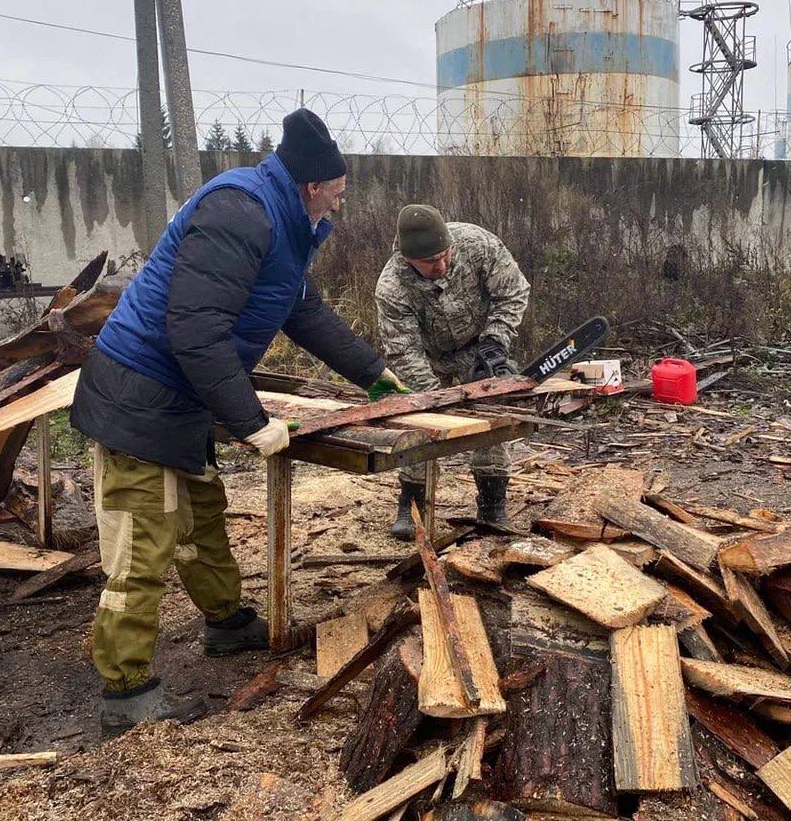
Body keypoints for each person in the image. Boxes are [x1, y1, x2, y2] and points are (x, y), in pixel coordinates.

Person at [71, 108, 408, 731]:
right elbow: (195, 328)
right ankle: (127, 691)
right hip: (138, 400)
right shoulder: (240, 212)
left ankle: (227, 623)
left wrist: (373, 373)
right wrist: (251, 422)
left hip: (180, 402)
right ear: (312, 187)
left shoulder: (281, 225)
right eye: (335, 195)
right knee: (144, 542)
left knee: (201, 516)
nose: (337, 207)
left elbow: (301, 310)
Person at [374, 204, 530, 540]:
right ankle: (412, 502)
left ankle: (492, 503)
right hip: (427, 357)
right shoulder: (392, 288)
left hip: (480, 344)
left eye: (445, 256)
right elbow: (403, 350)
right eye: (430, 262)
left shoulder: (477, 244)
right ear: (408, 258)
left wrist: (495, 340)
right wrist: (438, 399)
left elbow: (514, 291)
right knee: (420, 423)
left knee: (492, 419)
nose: (441, 266)